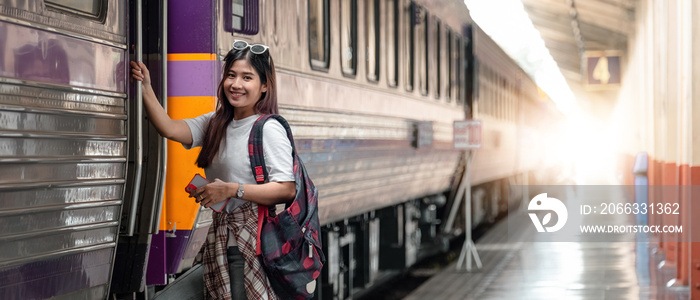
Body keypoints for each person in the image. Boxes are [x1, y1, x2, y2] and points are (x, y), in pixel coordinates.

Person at [131, 40, 295, 300]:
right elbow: (169, 128)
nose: (236, 84)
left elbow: (286, 189)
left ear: (264, 86)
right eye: (231, 75)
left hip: (249, 246)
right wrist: (146, 88)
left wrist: (230, 190)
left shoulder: (268, 129)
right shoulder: (216, 122)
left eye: (247, 77)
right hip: (220, 241)